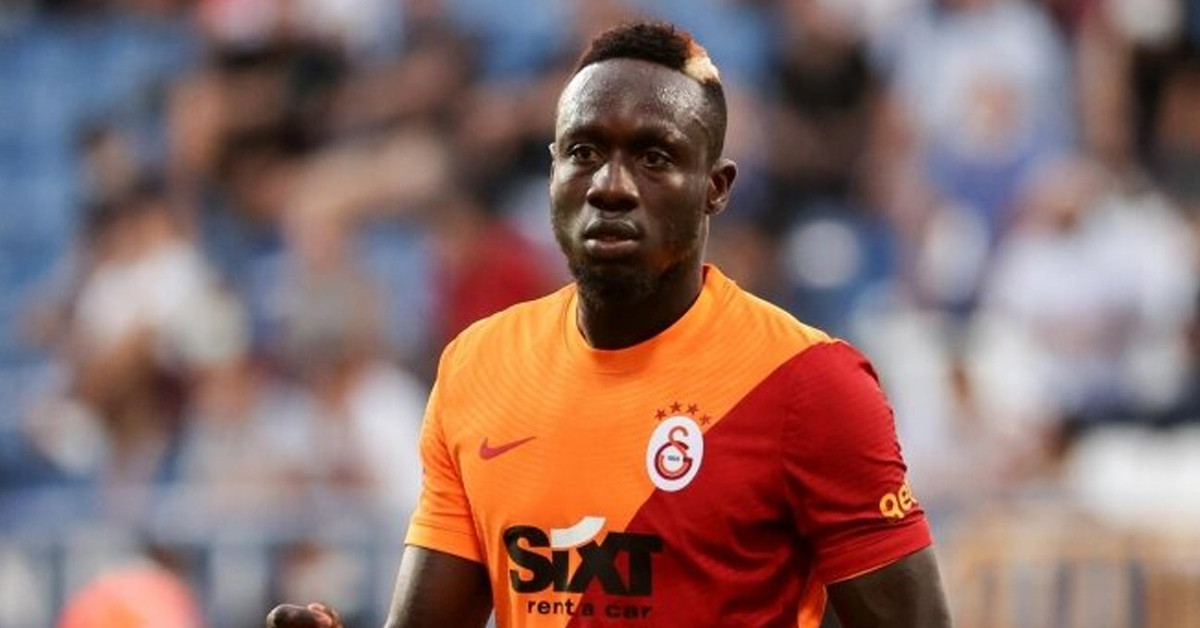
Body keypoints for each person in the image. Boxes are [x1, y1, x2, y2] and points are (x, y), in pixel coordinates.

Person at [267, 22, 952, 628]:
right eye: (585, 151)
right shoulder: (477, 365)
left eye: (653, 157)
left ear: (716, 188)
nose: (611, 185)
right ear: (553, 171)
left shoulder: (809, 383)